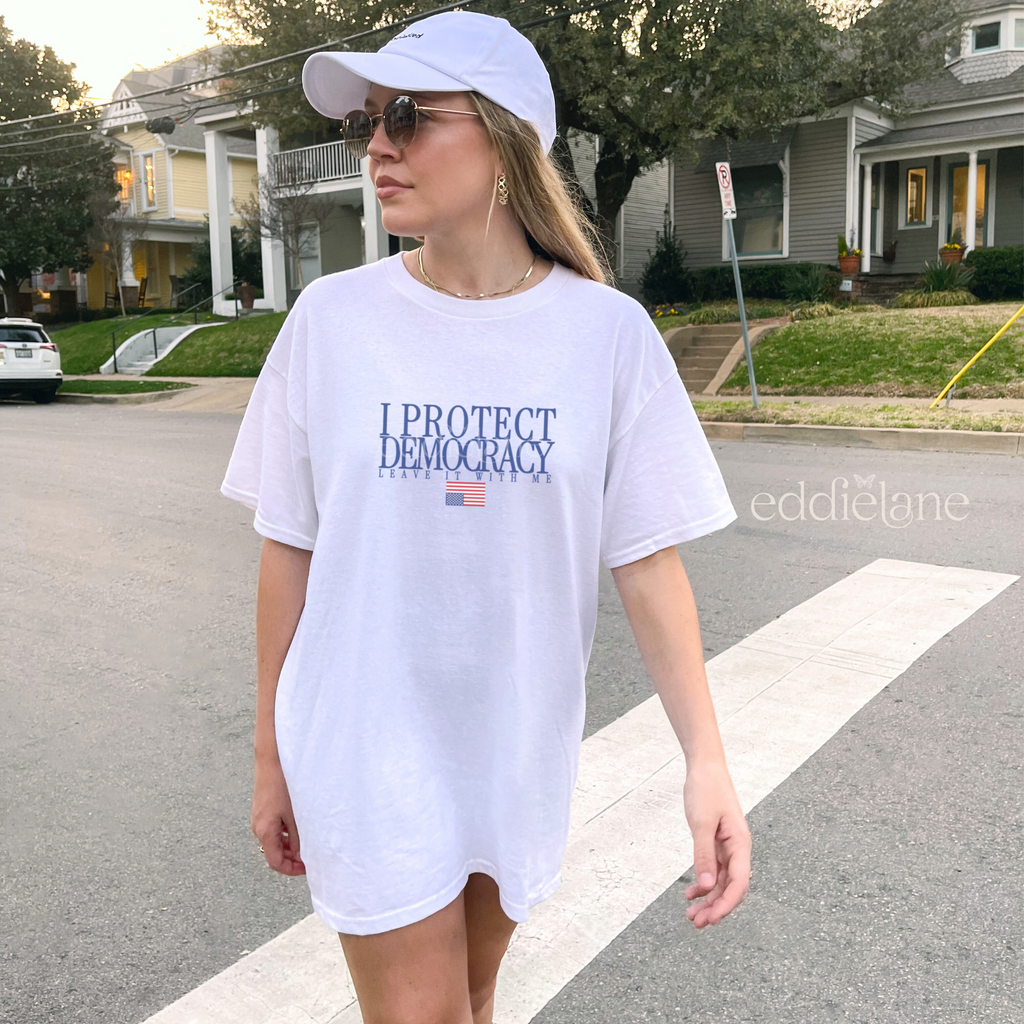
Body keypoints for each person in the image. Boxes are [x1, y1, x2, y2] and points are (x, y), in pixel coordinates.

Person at [219, 11, 752, 1024]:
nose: (376, 145)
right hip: (362, 739)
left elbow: (646, 564)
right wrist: (268, 755)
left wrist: (707, 762)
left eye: (407, 117)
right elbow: (289, 543)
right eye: (365, 125)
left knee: (469, 998)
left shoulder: (606, 337)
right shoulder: (331, 322)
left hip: (514, 743)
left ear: (504, 138)